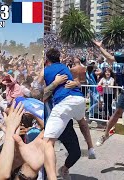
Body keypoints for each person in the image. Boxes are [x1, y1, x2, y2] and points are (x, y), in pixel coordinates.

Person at [43, 48, 86, 180]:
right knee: (46, 148)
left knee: (76, 153)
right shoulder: (45, 76)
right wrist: (54, 83)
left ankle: (64, 169)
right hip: (45, 121)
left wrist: (76, 83)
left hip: (64, 120)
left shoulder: (62, 72)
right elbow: (40, 95)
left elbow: (80, 82)